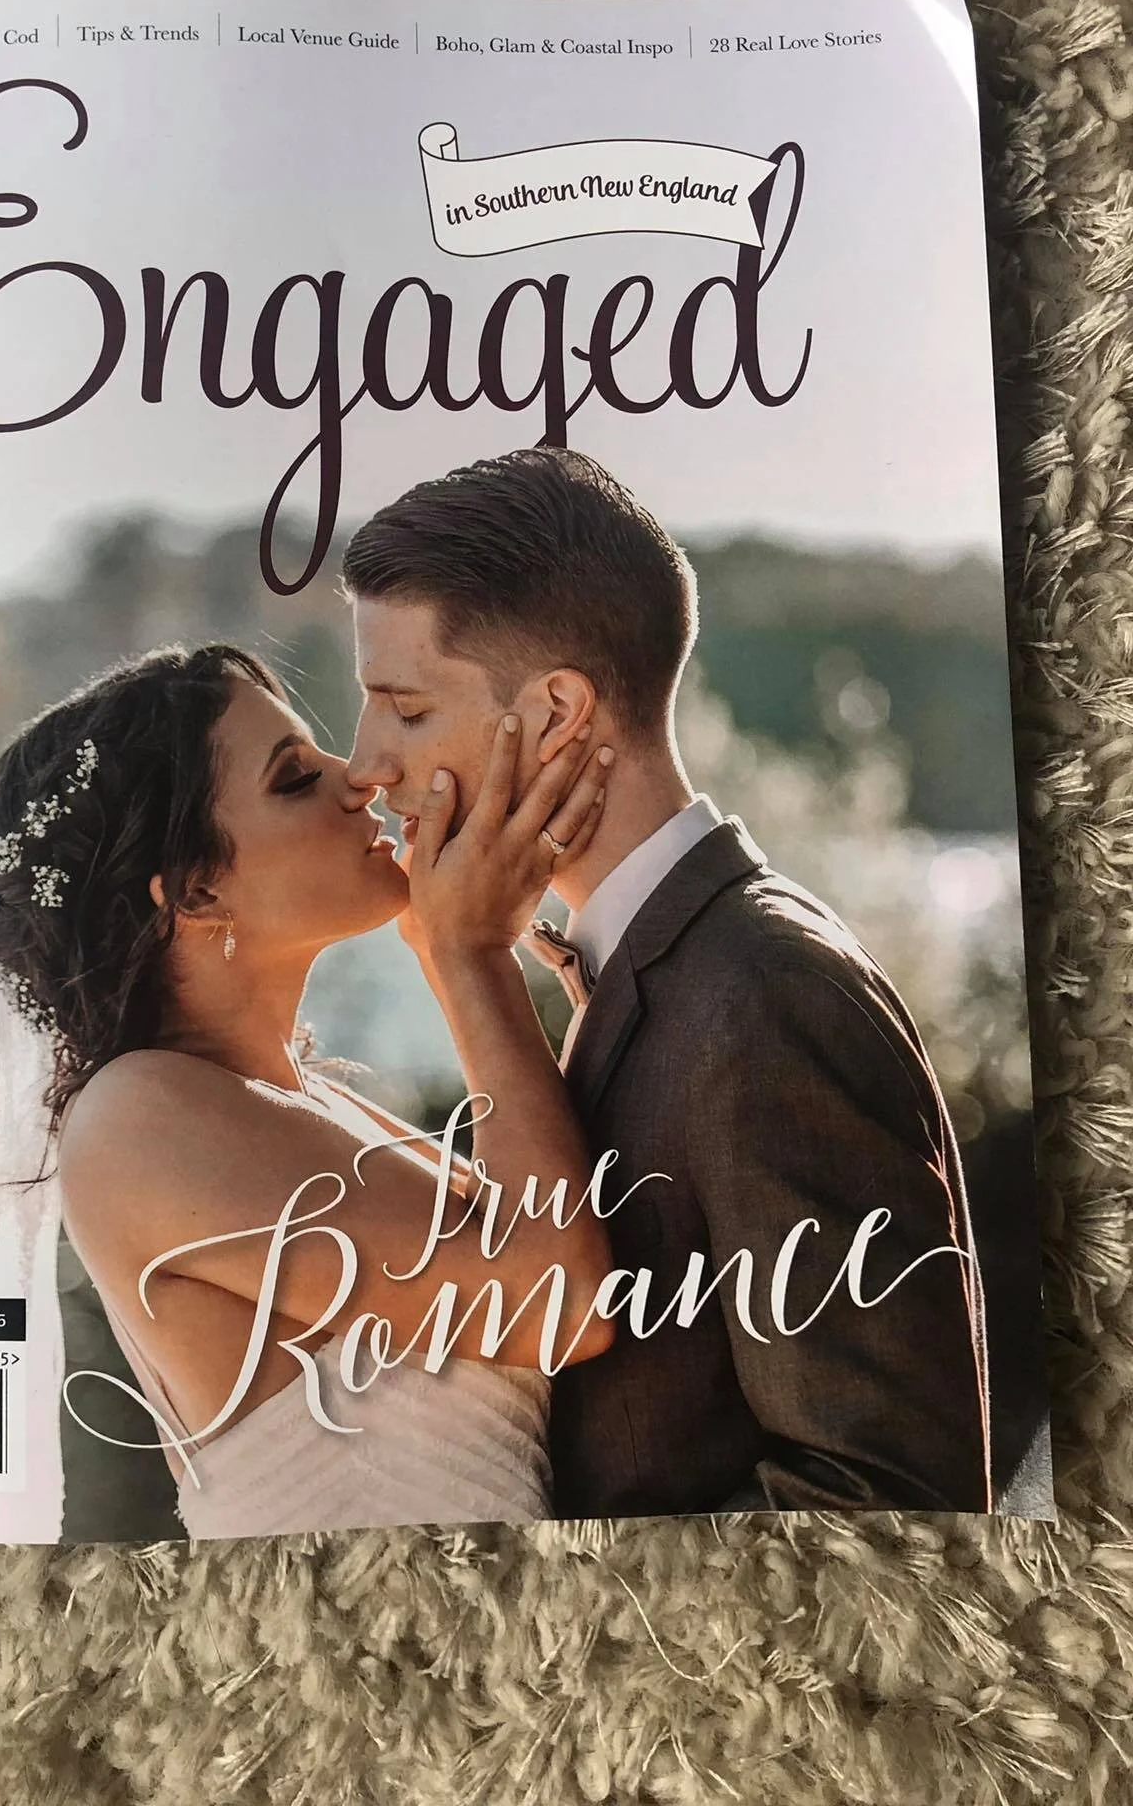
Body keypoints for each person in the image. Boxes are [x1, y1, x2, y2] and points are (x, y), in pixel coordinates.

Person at [340, 446, 993, 1514]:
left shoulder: (766, 992)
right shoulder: (652, 967)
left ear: (558, 711)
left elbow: (882, 1500)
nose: (366, 764)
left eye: (406, 709)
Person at [0, 641, 618, 1540]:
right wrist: (468, 956)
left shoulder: (316, 1107)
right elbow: (558, 1303)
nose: (358, 779)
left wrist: (453, 952)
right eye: (296, 779)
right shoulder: (136, 1121)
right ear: (195, 893)